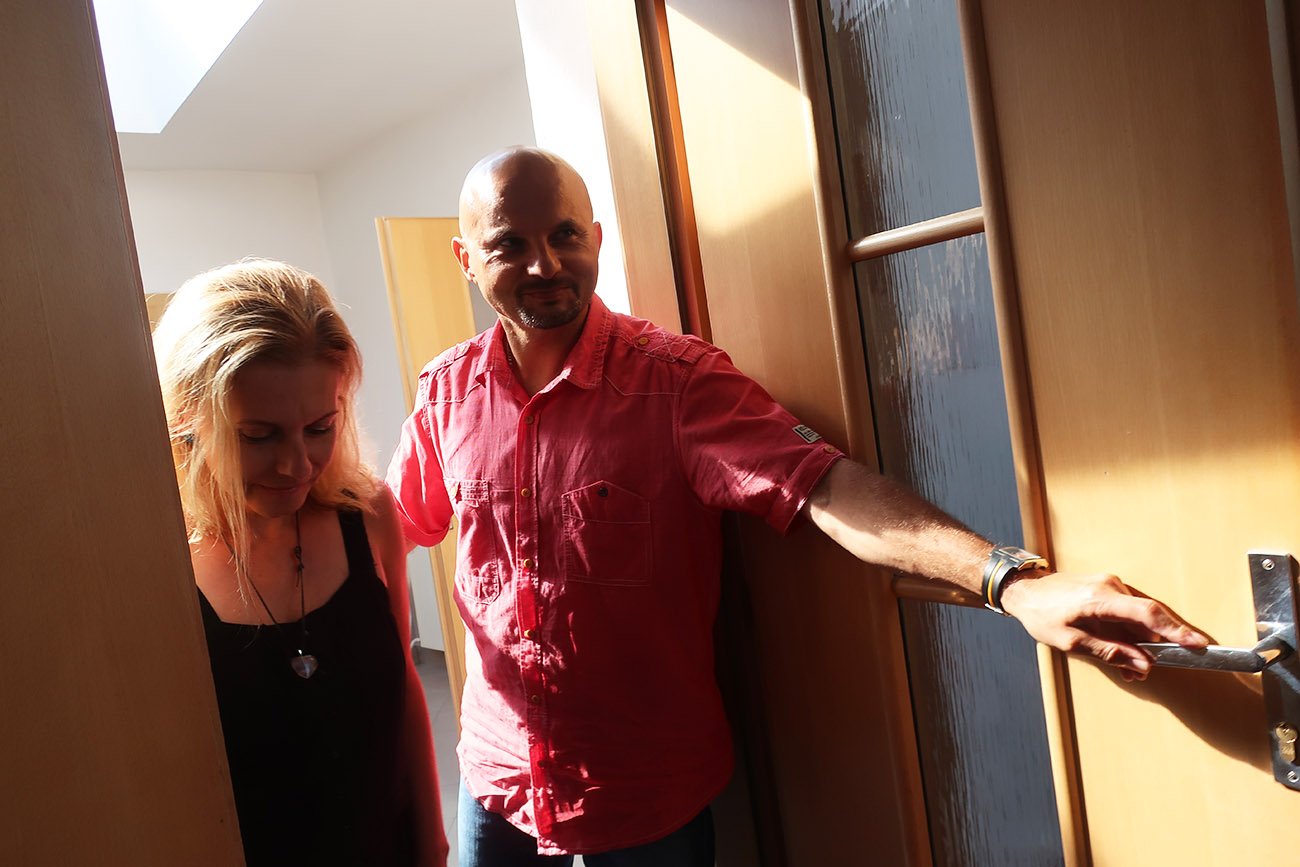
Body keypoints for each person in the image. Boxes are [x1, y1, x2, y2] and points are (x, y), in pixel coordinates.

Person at [385, 148, 1207, 865]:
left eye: (565, 235)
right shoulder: (444, 394)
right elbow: (389, 529)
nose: (544, 265)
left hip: (646, 798)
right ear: (466, 259)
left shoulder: (676, 382)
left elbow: (828, 486)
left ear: (596, 237)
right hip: (496, 778)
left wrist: (1014, 582)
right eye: (509, 245)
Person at [153, 260, 448, 867]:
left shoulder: (368, 513)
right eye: (258, 436)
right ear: (187, 419)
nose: (297, 465)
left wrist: (433, 845)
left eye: (319, 427)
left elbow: (401, 686)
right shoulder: (154, 554)